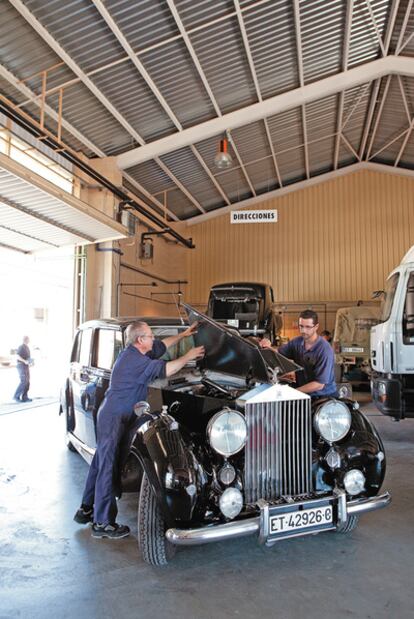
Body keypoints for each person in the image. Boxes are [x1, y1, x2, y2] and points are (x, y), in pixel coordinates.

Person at [74, 321, 204, 540]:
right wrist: (189, 355)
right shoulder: (134, 361)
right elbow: (167, 368)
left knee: (100, 461)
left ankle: (86, 508)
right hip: (115, 416)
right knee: (108, 465)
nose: (153, 338)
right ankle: (102, 523)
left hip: (120, 413)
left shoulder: (137, 350)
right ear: (140, 340)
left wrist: (183, 335)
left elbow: (162, 346)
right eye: (150, 335)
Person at [260, 310, 336, 397]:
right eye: (301, 326)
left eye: (308, 327)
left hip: (323, 396)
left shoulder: (324, 350)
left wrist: (293, 392)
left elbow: (319, 384)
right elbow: (278, 353)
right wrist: (267, 346)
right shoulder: (296, 342)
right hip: (303, 393)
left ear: (316, 327)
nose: (303, 330)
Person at [13, 336, 32, 403]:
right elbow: (18, 356)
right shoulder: (21, 347)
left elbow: (28, 358)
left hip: (26, 366)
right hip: (21, 365)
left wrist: (30, 362)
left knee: (27, 382)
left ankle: (25, 397)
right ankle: (16, 396)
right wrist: (24, 361)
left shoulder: (27, 348)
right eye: (28, 339)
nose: (29, 340)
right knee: (23, 381)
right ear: (25, 340)